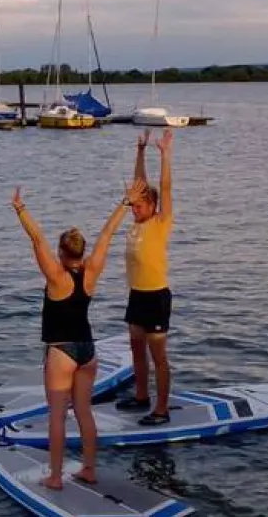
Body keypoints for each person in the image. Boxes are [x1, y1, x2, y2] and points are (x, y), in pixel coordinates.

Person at [11, 182, 135, 489]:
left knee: (57, 416)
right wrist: (124, 204)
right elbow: (107, 235)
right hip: (88, 349)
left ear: (62, 252)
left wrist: (20, 209)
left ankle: (55, 477)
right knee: (83, 412)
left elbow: (36, 238)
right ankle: (89, 469)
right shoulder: (92, 270)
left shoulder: (56, 277)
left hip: (62, 351)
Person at [118, 127, 175, 425]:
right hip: (136, 294)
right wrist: (140, 151)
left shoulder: (159, 221)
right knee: (136, 347)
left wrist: (165, 155)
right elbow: (140, 185)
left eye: (139, 206)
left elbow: (164, 188)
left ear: (152, 206)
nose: (134, 209)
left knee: (158, 355)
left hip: (156, 296)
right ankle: (141, 396)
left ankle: (161, 410)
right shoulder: (137, 221)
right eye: (133, 205)